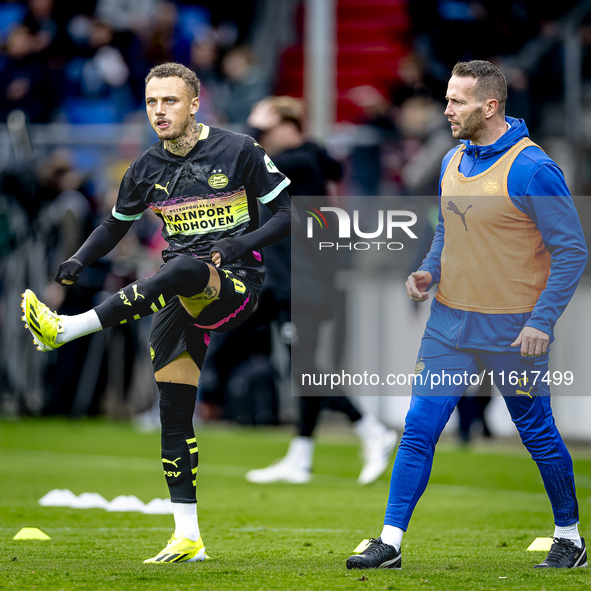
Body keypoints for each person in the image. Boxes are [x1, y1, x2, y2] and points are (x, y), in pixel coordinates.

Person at [21, 62, 298, 563]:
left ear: (195, 103)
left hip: (234, 284)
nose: (159, 111)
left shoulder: (239, 150)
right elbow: (115, 223)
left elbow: (290, 214)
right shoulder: (145, 166)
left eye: (170, 101)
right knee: (174, 415)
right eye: (151, 102)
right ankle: (187, 536)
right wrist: (79, 259)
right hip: (177, 290)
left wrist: (241, 245)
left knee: (185, 269)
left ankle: (68, 329)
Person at [347, 60, 588, 570]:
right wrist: (428, 272)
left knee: (537, 432)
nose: (447, 108)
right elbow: (447, 229)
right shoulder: (452, 158)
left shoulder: (533, 169)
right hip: (449, 324)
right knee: (418, 427)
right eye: (448, 98)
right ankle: (389, 539)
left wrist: (541, 321)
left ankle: (569, 533)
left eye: (457, 101)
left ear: (490, 106)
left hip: (511, 329)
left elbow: (572, 251)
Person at [240, 96, 397, 485]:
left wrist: (251, 132)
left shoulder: (300, 163)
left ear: (288, 127)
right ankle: (301, 457)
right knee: (301, 368)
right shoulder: (296, 164)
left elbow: (244, 164)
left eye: (266, 129)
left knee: (305, 369)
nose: (262, 138)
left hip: (303, 284)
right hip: (289, 284)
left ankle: (370, 429)